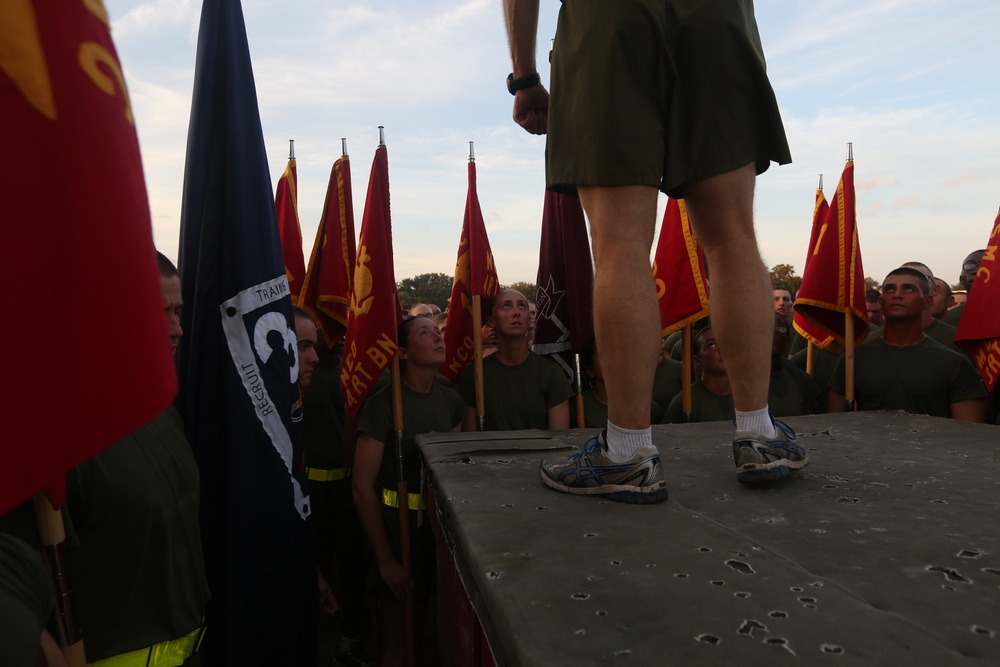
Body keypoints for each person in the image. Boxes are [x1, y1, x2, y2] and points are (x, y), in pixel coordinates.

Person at [503, 0, 805, 500]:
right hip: (717, 16)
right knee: (732, 238)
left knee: (620, 242)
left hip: (607, 19)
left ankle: (627, 451)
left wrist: (524, 77)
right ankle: (760, 435)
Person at [66, 251, 210, 664]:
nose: (177, 329)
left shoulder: (161, 409)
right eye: (157, 312)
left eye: (178, 311)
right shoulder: (64, 439)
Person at [352, 317, 465, 666]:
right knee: (400, 643)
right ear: (401, 351)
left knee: (434, 638)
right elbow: (361, 487)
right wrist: (386, 561)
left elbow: (458, 470)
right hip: (398, 534)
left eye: (437, 331)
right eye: (423, 333)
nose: (437, 336)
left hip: (440, 532)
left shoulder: (450, 399)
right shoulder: (385, 405)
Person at [828, 268, 986, 421]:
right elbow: (834, 425)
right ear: (881, 301)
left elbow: (968, 433)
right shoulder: (853, 359)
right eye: (890, 289)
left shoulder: (954, 363)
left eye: (909, 289)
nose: (897, 295)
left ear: (927, 302)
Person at [455, 289, 572, 431]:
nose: (516, 312)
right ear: (491, 321)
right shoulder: (475, 376)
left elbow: (559, 437)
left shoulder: (551, 373)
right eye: (506, 306)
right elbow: (469, 439)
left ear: (529, 318)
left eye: (522, 306)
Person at [663, 326, 734, 424]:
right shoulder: (686, 403)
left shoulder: (746, 395)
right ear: (697, 361)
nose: (722, 348)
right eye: (712, 345)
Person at [581, 345, 663, 428]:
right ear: (590, 370)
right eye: (604, 355)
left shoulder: (645, 406)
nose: (614, 361)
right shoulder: (579, 407)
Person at [946, 249, 986, 327]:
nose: (978, 270)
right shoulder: (947, 320)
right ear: (961, 279)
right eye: (969, 266)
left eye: (986, 265)